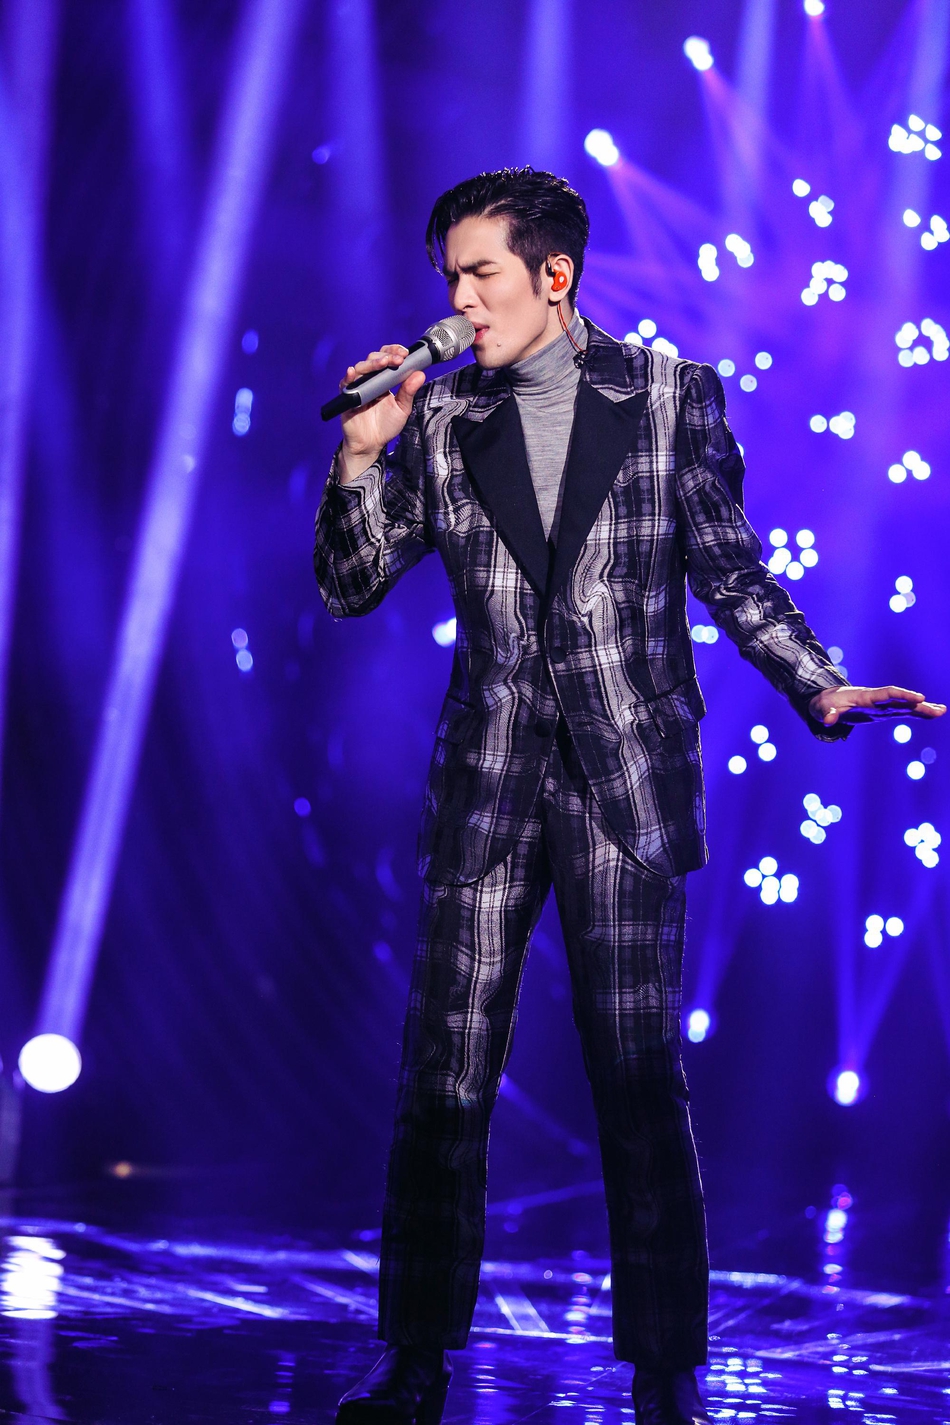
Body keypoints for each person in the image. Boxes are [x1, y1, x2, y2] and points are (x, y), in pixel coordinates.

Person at [313, 167, 945, 1425]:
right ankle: (413, 1357)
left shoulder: (666, 397)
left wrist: (815, 685)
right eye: (448, 277)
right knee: (442, 1080)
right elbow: (349, 584)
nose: (458, 301)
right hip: (488, 780)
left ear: (553, 275)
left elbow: (731, 570)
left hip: (623, 780)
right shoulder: (440, 417)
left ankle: (664, 1371)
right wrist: (357, 457)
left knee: (637, 1081)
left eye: (480, 274)